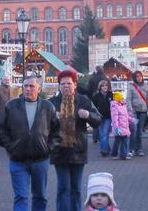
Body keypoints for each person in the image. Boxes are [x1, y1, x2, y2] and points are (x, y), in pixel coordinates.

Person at [0, 75, 61, 211]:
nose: (27, 89)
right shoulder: (12, 106)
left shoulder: (47, 107)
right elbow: (2, 129)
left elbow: (57, 131)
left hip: (40, 160)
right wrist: (10, 147)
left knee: (40, 196)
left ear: (39, 88)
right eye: (25, 86)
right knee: (21, 196)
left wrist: (48, 148)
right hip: (18, 160)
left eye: (31, 86)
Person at [49, 69, 102, 211]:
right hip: (59, 150)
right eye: (63, 83)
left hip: (78, 150)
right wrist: (53, 118)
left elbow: (98, 120)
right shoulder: (52, 103)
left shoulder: (83, 101)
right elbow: (43, 125)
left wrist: (88, 115)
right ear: (59, 86)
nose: (66, 86)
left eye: (69, 83)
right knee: (63, 187)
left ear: (75, 85)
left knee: (76, 188)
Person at [126, 71, 148, 156]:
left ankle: (139, 149)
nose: (139, 78)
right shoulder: (131, 87)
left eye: (140, 76)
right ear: (134, 78)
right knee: (134, 130)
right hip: (134, 111)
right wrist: (129, 109)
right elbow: (128, 99)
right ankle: (131, 149)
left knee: (139, 131)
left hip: (143, 111)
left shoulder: (146, 86)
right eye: (137, 77)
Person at [90, 80, 113, 156]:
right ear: (100, 87)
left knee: (105, 133)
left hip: (108, 117)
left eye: (106, 85)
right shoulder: (96, 96)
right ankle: (106, 149)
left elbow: (114, 105)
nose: (105, 87)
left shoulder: (110, 94)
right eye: (103, 86)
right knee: (102, 134)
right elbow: (93, 106)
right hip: (99, 117)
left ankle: (104, 150)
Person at [109, 92, 134, 160]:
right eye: (122, 98)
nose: (123, 100)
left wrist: (131, 119)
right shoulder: (115, 107)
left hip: (124, 127)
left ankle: (123, 155)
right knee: (117, 141)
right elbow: (115, 119)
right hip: (119, 128)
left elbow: (126, 116)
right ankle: (114, 154)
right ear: (118, 99)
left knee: (124, 141)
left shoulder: (123, 106)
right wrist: (117, 128)